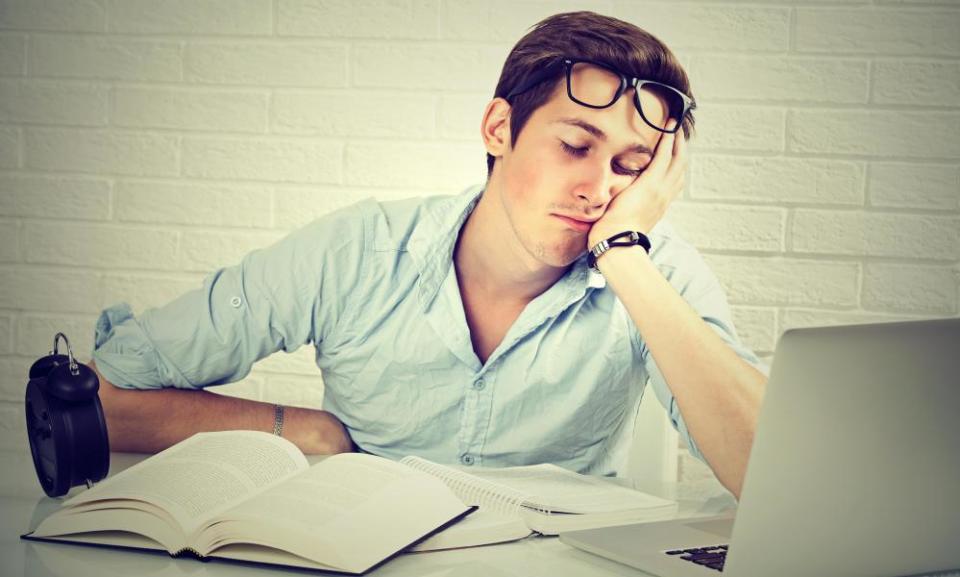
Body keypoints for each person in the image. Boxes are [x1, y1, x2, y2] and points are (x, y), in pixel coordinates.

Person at [88, 11, 767, 499]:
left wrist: (624, 257)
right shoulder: (356, 252)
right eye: (576, 145)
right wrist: (299, 430)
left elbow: (770, 476)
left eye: (631, 164)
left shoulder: (653, 266)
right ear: (500, 128)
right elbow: (107, 396)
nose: (599, 188)